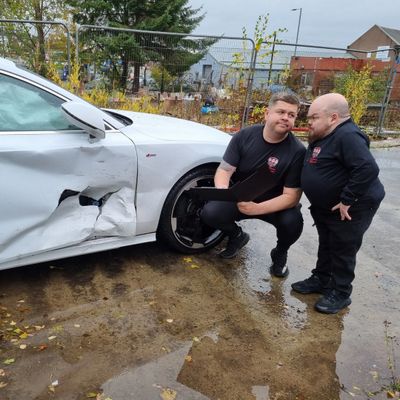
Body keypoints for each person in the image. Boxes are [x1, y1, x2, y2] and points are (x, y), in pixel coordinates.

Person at [292, 93, 385, 313]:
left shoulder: (348, 136)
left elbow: (367, 168)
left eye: (314, 117)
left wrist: (346, 199)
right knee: (327, 243)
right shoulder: (326, 135)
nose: (309, 122)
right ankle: (321, 279)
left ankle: (341, 293)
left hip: (353, 207)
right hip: (327, 208)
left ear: (333, 117)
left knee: (343, 247)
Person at [201, 92, 306, 277]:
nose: (286, 117)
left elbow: (291, 197)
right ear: (267, 113)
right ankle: (236, 236)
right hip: (243, 196)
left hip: (276, 204)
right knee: (210, 212)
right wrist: (225, 193)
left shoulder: (297, 151)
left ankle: (280, 252)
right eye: (281, 111)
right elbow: (224, 170)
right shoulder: (244, 136)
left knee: (293, 223)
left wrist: (256, 209)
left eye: (291, 115)